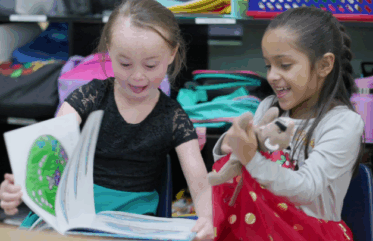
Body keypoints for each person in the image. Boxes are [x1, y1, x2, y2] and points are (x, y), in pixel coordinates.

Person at [0, 0, 213, 240]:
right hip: (75, 211)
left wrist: (206, 218)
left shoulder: (173, 116)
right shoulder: (91, 95)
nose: (138, 76)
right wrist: (19, 187)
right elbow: (52, 146)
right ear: (109, 51)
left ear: (172, 54)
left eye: (151, 65)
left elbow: (198, 177)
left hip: (134, 221)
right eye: (125, 63)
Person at [212, 7, 364, 241]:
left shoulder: (344, 122)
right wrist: (230, 144)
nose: (272, 76)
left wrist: (251, 157)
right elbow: (240, 175)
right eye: (268, 66)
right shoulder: (270, 106)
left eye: (284, 65)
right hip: (257, 227)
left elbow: (306, 190)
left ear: (324, 65)